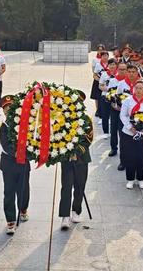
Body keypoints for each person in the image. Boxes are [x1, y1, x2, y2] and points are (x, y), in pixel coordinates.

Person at [59, 92, 93, 229]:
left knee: (80, 186)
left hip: (81, 159)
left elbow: (88, 139)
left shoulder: (86, 119)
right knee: (66, 187)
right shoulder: (63, 119)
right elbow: (58, 137)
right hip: (66, 159)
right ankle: (65, 216)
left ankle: (76, 211)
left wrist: (76, 151)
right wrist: (68, 151)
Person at [0, 95, 31, 235]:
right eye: (6, 108)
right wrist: (18, 154)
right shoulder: (3, 126)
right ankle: (10, 220)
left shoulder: (24, 124)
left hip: (23, 162)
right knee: (9, 191)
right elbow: (6, 146)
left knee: (23, 188)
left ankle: (23, 209)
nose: (8, 110)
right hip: (9, 163)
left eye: (11, 107)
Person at [119, 80, 143, 190]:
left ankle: (140, 179)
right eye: (137, 88)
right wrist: (131, 128)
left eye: (141, 88)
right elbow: (123, 115)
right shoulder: (127, 100)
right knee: (130, 156)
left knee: (141, 156)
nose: (138, 90)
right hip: (129, 133)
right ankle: (130, 179)